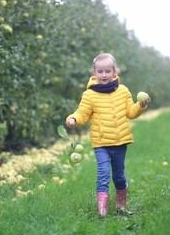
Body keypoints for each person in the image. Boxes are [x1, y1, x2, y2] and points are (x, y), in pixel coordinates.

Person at [65, 53, 151, 217]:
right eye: (100, 71)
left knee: (119, 176)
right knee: (103, 174)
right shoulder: (89, 95)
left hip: (120, 142)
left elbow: (130, 113)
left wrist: (140, 106)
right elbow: (82, 113)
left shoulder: (123, 90)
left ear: (114, 71)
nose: (104, 75)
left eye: (107, 71)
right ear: (94, 72)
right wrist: (73, 118)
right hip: (101, 142)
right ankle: (102, 211)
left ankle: (121, 205)